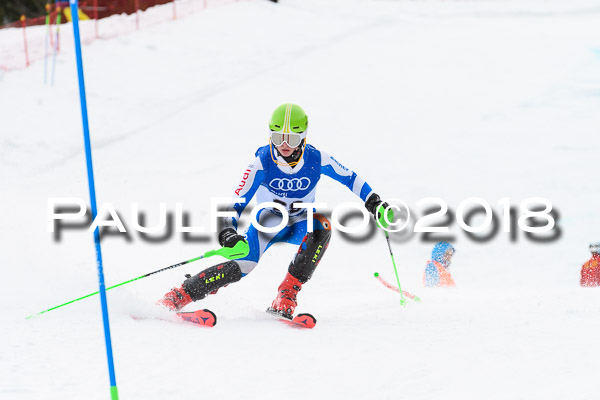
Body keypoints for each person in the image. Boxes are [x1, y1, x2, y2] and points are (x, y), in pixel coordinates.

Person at [158, 103, 391, 317]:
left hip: (300, 223)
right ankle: (180, 294)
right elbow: (236, 202)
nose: (284, 145)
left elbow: (350, 178)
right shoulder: (262, 162)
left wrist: (375, 203)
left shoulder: (317, 159)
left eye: (291, 138)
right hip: (267, 223)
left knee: (322, 225)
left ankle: (286, 294)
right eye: (278, 137)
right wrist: (227, 232)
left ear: (304, 137)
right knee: (244, 265)